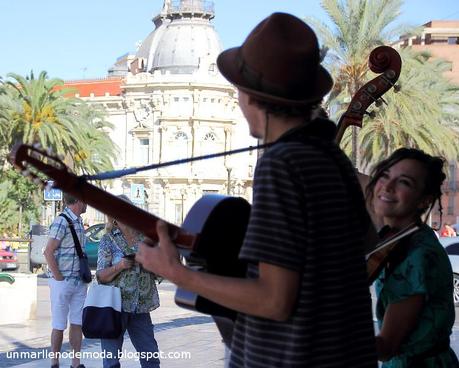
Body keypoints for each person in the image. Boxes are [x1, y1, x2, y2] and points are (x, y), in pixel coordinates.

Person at [136, 13, 377, 368]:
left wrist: (177, 272)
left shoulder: (281, 163)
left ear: (250, 96)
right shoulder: (332, 158)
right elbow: (363, 244)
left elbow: (273, 300)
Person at [365, 148, 459, 367]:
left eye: (404, 182)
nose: (387, 187)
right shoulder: (404, 237)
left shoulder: (416, 255)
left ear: (423, 201)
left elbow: (386, 347)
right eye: (385, 176)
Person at [97, 194, 160, 368]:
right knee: (111, 361)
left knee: (151, 358)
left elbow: (160, 271)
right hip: (115, 307)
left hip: (140, 307)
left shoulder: (146, 238)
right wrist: (120, 266)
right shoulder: (108, 239)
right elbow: (101, 276)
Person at [43, 193, 88, 368]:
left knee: (77, 323)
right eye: (85, 200)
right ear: (78, 200)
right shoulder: (62, 221)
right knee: (59, 324)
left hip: (79, 281)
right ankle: (54, 362)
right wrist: (58, 278)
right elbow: (48, 251)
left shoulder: (78, 221)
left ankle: (75, 364)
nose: (87, 204)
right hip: (63, 281)